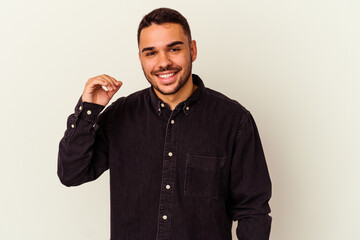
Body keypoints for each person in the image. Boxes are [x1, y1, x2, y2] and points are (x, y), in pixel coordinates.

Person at [58, 7, 272, 240]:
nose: (163, 62)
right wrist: (89, 111)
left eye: (174, 49)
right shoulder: (120, 115)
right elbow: (71, 173)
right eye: (151, 53)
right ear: (140, 59)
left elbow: (253, 211)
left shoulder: (233, 121)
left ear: (192, 50)